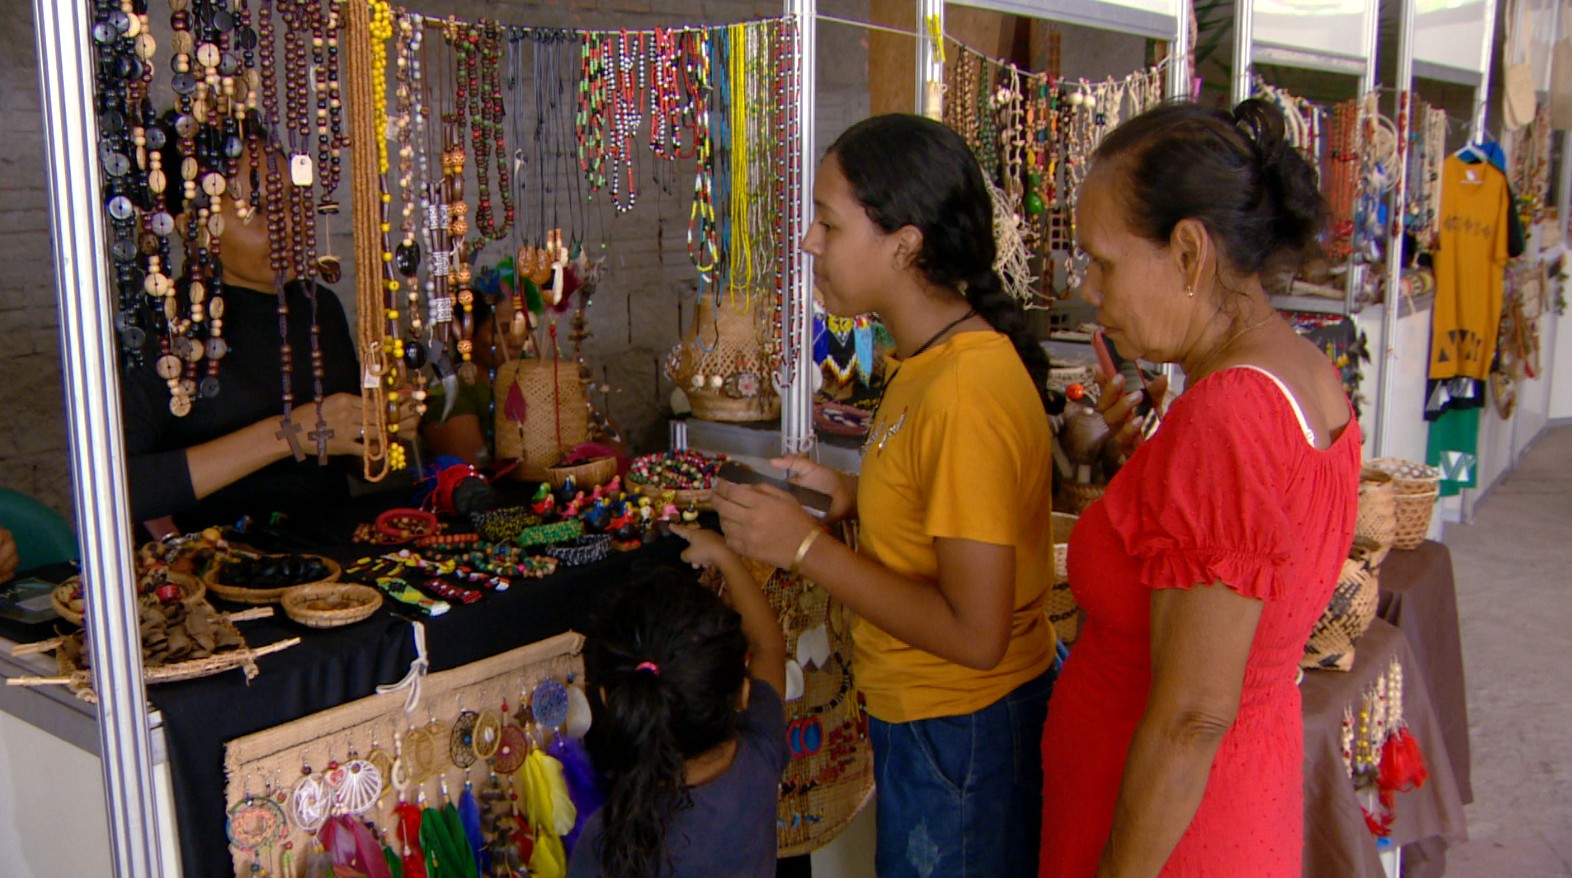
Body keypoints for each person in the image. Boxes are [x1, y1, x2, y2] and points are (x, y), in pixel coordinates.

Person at [712, 113, 1058, 876]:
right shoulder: (928, 361)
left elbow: (976, 633)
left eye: (828, 225)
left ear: (905, 244)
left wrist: (801, 549)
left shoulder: (964, 389)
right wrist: (851, 495)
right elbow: (948, 511)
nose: (809, 243)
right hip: (935, 721)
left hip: (961, 729)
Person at [1038, 99, 1362, 878]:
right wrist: (1152, 461)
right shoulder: (1301, 373)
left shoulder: (1228, 414)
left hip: (1165, 837)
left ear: (1188, 252)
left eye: (1104, 263)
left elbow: (1191, 715)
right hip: (1226, 800)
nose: (1090, 289)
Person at [122, 129, 412, 532]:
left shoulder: (317, 307)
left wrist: (380, 426)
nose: (289, 225)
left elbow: (359, 468)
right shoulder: (160, 329)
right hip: (212, 569)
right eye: (257, 208)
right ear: (194, 225)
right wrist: (288, 434)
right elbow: (123, 490)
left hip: (332, 565)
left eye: (293, 201)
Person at [569, 524, 788, 878]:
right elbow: (770, 647)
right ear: (742, 695)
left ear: (609, 699)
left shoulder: (605, 839)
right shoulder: (762, 753)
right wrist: (724, 556)